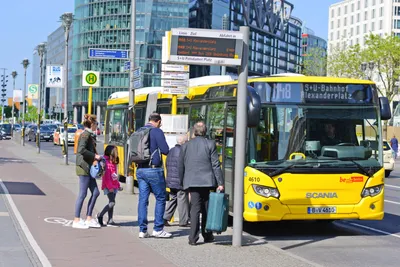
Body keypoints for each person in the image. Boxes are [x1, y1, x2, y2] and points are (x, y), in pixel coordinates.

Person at [178, 121, 224, 246]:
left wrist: (181, 181)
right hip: (207, 182)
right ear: (205, 131)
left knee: (195, 209)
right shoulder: (210, 144)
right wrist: (220, 182)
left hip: (192, 181)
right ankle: (207, 235)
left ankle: (192, 238)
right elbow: (215, 164)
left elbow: (181, 165)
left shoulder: (186, 146)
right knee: (206, 209)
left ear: (194, 131)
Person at [136, 113, 171, 238]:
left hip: (140, 170)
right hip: (154, 170)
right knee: (161, 198)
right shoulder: (157, 131)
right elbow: (165, 150)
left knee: (143, 200)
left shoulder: (139, 130)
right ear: (159, 121)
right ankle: (158, 229)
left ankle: (142, 230)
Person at [73, 114, 101, 229]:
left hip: (88, 167)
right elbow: (81, 150)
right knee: (82, 194)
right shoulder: (85, 135)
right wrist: (95, 156)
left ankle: (89, 218)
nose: (97, 127)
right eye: (96, 124)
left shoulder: (89, 134)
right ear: (92, 124)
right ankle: (76, 219)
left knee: (95, 193)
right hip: (83, 167)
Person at [163, 134, 190, 227]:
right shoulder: (183, 152)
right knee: (182, 200)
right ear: (185, 142)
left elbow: (166, 164)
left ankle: (165, 217)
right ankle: (183, 221)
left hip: (171, 180)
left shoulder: (171, 150)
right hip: (179, 181)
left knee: (173, 199)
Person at [97, 145, 122, 227]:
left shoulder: (113, 162)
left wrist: (118, 185)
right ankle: (100, 215)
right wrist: (110, 187)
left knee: (112, 202)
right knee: (112, 203)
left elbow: (114, 175)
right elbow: (106, 177)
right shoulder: (106, 163)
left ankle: (110, 220)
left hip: (114, 185)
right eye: (116, 152)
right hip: (108, 186)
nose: (117, 154)